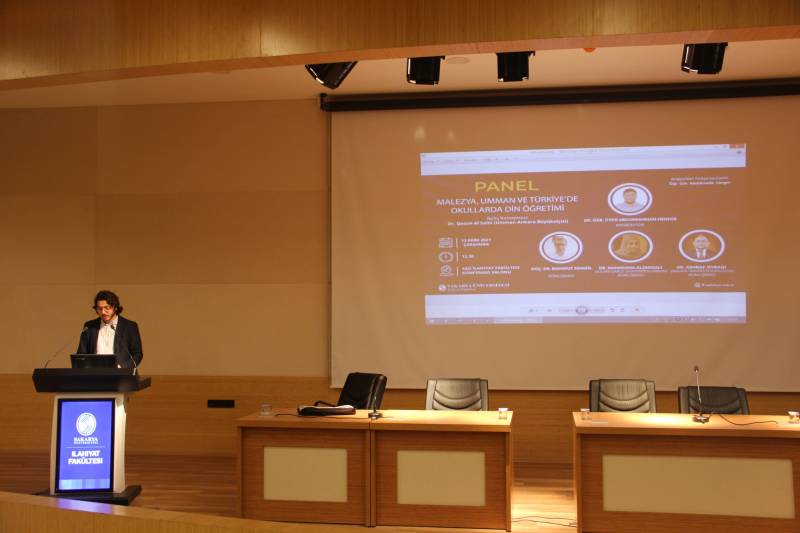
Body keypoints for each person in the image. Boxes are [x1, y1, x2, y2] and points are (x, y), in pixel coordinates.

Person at [77, 290, 143, 369]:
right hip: (95, 374)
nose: (103, 312)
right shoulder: (89, 327)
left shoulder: (129, 326)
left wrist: (121, 368)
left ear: (115, 307)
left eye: (107, 308)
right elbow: (81, 355)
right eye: (99, 308)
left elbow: (137, 354)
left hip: (120, 374)